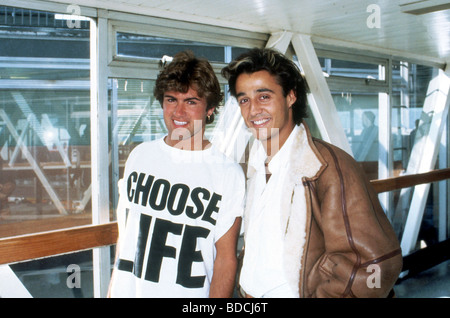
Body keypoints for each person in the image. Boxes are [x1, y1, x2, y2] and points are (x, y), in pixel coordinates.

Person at [221, 48, 402, 298]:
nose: (253, 110)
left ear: (290, 97)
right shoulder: (247, 164)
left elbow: (377, 264)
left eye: (264, 96)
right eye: (244, 100)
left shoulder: (328, 167)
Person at [108, 51, 245, 298]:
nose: (179, 112)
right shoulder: (139, 156)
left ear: (210, 109)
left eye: (191, 102)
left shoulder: (227, 174)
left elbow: (226, 259)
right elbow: (126, 237)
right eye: (171, 100)